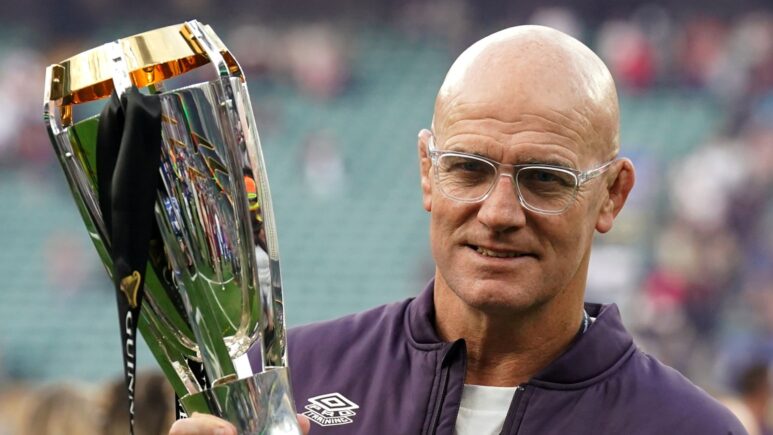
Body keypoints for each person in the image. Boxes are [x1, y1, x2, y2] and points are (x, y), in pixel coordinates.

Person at [170, 25, 746, 435]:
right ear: (428, 172)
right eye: (468, 169)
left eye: (544, 179)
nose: (499, 213)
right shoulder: (289, 380)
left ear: (612, 195)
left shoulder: (688, 427)